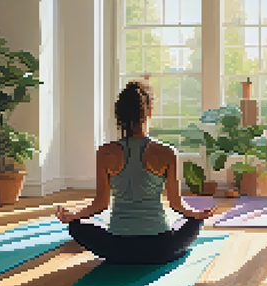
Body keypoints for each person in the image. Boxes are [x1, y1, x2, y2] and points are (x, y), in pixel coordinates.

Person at [55, 80, 217, 264]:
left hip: (118, 249)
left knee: (76, 228)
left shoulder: (105, 152)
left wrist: (74, 216)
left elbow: (100, 204)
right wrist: (198, 215)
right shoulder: (167, 152)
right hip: (161, 248)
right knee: (195, 222)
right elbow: (176, 205)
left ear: (119, 116)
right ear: (149, 112)